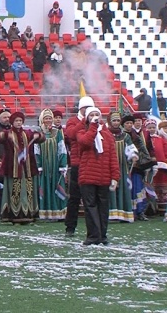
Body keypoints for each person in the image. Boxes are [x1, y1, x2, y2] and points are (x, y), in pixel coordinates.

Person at [77, 107, 120, 246]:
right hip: (87, 176)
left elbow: (113, 157)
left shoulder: (107, 136)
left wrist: (115, 177)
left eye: (97, 115)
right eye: (92, 115)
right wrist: (93, 127)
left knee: (103, 207)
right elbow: (86, 142)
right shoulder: (82, 132)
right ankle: (93, 236)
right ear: (87, 118)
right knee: (90, 207)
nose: (95, 117)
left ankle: (102, 235)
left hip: (104, 177)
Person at [0, 112, 45, 224]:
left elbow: (42, 138)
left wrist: (38, 135)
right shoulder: (8, 133)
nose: (18, 123)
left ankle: (29, 213)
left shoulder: (27, 133)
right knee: (14, 191)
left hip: (28, 168)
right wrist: (6, 135)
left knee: (28, 191)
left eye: (20, 121)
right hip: (13, 168)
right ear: (12, 122)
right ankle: (13, 215)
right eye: (16, 121)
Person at [64, 96, 95, 236]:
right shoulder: (72, 121)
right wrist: (84, 121)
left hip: (92, 163)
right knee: (74, 198)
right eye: (85, 108)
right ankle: (70, 227)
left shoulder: (96, 122)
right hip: (77, 164)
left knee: (91, 199)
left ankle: (93, 228)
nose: (87, 111)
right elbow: (70, 134)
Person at [35, 109, 68, 220]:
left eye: (50, 118)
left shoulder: (57, 133)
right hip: (43, 168)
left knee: (56, 186)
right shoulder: (38, 132)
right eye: (46, 118)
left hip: (55, 167)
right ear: (42, 120)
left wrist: (63, 165)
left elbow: (62, 149)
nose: (48, 120)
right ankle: (44, 213)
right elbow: (36, 150)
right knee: (44, 187)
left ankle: (58, 213)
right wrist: (38, 165)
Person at [107, 113, 137, 222]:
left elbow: (130, 147)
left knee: (123, 189)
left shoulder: (125, 136)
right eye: (114, 121)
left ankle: (123, 213)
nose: (116, 123)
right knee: (110, 189)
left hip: (122, 166)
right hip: (108, 166)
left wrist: (133, 155)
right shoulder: (105, 134)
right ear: (110, 122)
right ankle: (111, 214)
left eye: (117, 121)